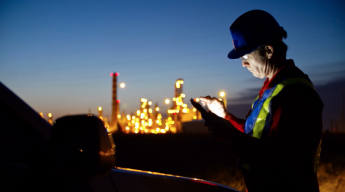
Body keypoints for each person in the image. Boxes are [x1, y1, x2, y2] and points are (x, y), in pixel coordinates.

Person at [198, 10, 323, 192]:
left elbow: (279, 157)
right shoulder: (273, 87)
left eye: (246, 56)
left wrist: (230, 134)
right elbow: (255, 133)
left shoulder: (295, 93)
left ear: (269, 51)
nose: (243, 64)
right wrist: (225, 116)